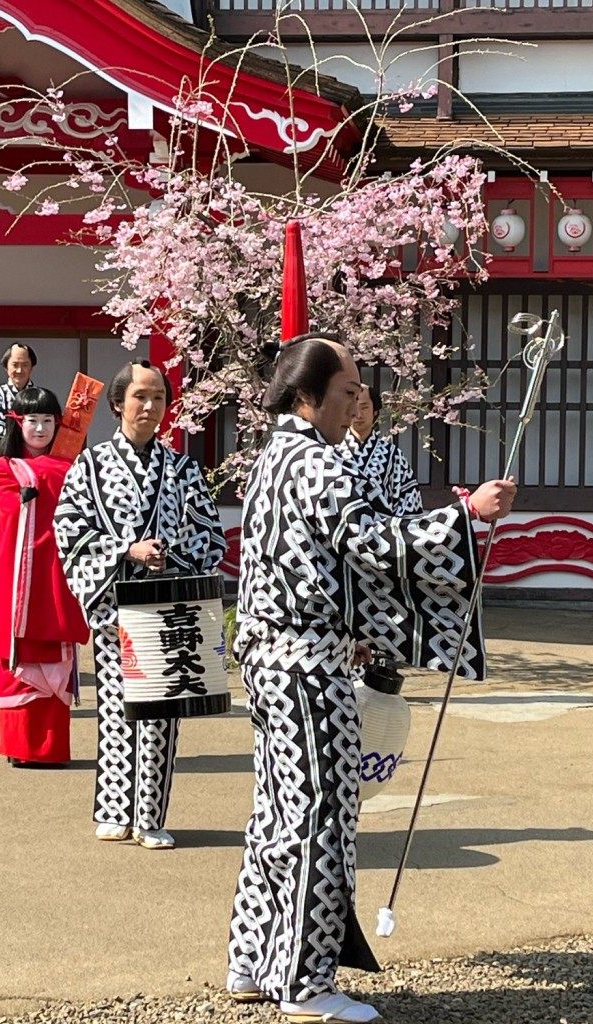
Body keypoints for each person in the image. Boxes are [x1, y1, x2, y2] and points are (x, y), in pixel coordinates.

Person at [226, 335, 516, 1023]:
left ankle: (252, 955)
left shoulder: (277, 456)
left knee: (277, 811)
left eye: (359, 391)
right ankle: (303, 979)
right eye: (348, 390)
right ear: (308, 396)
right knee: (319, 816)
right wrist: (466, 518)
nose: (358, 401)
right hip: (305, 663)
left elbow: (337, 559)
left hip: (274, 657)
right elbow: (377, 544)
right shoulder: (318, 464)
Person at [54, 360, 226, 850]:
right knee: (115, 708)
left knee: (160, 715)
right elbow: (69, 531)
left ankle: (150, 814)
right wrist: (125, 550)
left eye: (157, 398)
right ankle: (113, 808)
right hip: (116, 605)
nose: (149, 407)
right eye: (139, 397)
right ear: (117, 403)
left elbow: (211, 536)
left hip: (165, 604)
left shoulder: (184, 469)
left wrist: (170, 554)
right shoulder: (89, 466)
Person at [0, 387, 89, 767]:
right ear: (17, 423)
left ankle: (51, 747)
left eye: (48, 421)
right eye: (33, 421)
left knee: (55, 650)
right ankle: (18, 745)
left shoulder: (73, 466)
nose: (41, 428)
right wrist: (33, 490)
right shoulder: (2, 467)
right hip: (16, 573)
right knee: (17, 656)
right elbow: (9, 507)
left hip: (56, 570)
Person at [339, 383, 423, 516]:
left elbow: (409, 500)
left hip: (383, 532)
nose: (359, 415)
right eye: (354, 407)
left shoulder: (393, 455)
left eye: (365, 407)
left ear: (375, 411)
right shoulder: (333, 452)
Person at [0, 343, 37, 435]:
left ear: (31, 368)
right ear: (6, 367)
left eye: (25, 365)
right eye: (15, 365)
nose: (19, 370)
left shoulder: (39, 396)